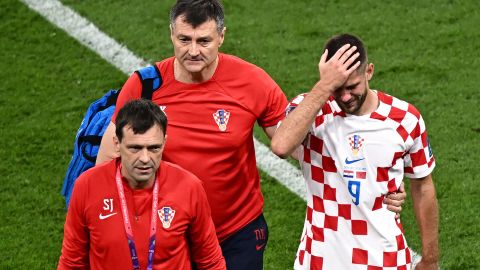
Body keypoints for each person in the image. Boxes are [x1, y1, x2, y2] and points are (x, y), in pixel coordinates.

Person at [96, 1, 406, 268]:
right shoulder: (144, 87)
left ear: (221, 36)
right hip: (167, 232)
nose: (192, 51)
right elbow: (106, 165)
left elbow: (298, 146)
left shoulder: (251, 82)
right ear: (171, 36)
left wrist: (377, 183)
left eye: (203, 41)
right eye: (184, 39)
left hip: (236, 235)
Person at [271, 34, 439, 270]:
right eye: (338, 88)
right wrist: (324, 87)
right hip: (320, 260)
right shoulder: (312, 111)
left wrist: (430, 259)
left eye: (352, 86)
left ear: (369, 71)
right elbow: (280, 146)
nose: (346, 96)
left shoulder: (405, 120)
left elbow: (423, 185)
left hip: (385, 260)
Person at [58, 99, 226, 270]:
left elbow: (210, 261)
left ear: (164, 143)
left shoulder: (189, 187)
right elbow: (72, 263)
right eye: (135, 148)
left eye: (154, 148)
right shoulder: (87, 187)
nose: (145, 159)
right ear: (117, 143)